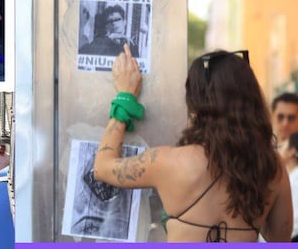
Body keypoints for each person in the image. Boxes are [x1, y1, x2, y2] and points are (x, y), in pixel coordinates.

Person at [94, 46, 291, 242]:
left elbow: (102, 167)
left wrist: (124, 100)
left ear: (195, 103)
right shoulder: (273, 167)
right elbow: (278, 238)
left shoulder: (169, 161)